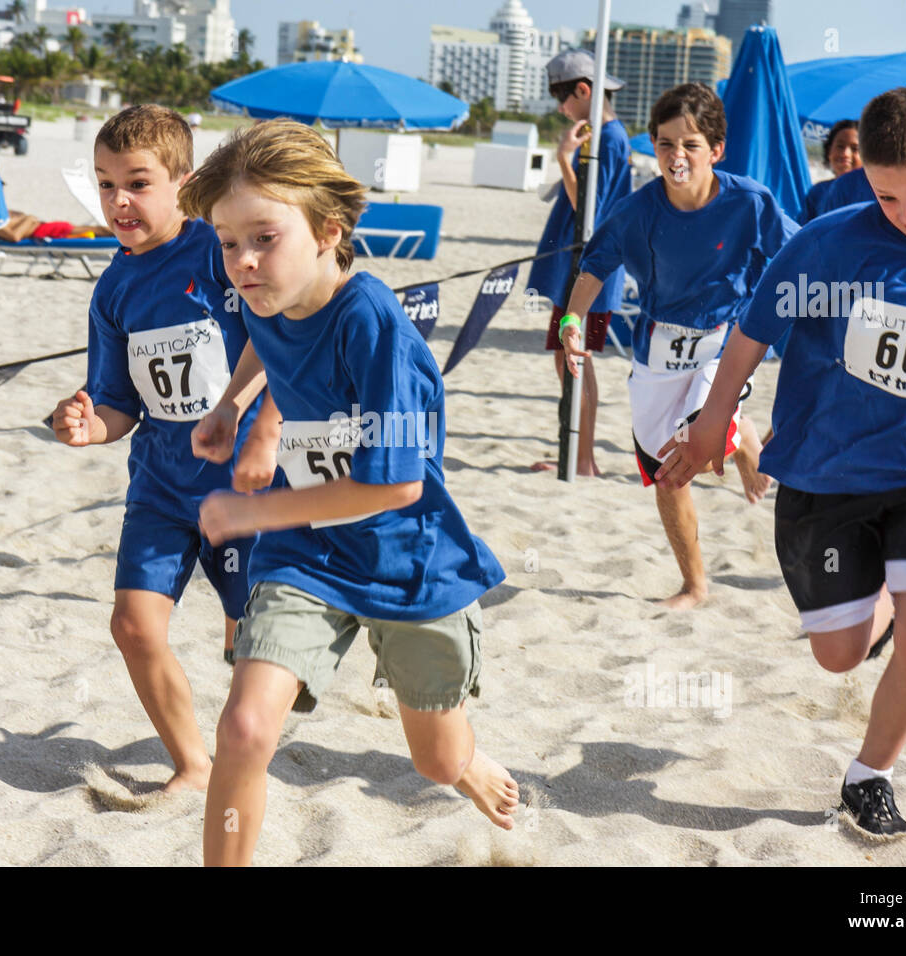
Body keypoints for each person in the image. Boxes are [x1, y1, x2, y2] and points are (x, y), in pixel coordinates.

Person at [654, 87, 906, 837]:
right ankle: (884, 600)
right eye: (888, 198)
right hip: (826, 473)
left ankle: (869, 777)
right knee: (838, 656)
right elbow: (751, 334)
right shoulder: (826, 243)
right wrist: (710, 425)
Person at [180, 119, 518, 866]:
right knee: (243, 729)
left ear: (330, 232)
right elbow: (268, 343)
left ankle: (468, 763)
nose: (241, 262)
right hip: (307, 553)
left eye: (263, 237)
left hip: (409, 562)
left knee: (434, 760)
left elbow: (394, 485)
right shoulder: (269, 293)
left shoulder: (376, 328)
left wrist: (250, 510)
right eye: (227, 242)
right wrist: (240, 409)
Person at [48, 105, 268, 794]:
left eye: (138, 183)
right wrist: (87, 424)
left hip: (244, 489)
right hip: (160, 489)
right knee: (134, 626)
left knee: (252, 644)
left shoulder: (218, 251)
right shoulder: (113, 288)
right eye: (105, 183)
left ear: (185, 181)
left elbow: (281, 330)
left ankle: (247, 735)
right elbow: (118, 404)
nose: (118, 201)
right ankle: (194, 766)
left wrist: (238, 410)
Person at [561, 82, 796, 609]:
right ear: (653, 147)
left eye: (690, 144)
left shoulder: (751, 202)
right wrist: (572, 321)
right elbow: (594, 267)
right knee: (666, 474)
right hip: (657, 351)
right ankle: (694, 585)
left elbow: (797, 259)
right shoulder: (635, 210)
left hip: (726, 343)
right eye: (666, 144)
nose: (677, 156)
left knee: (697, 440)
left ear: (716, 150)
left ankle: (730, 425)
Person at [528, 50, 631, 476]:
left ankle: (584, 458)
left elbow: (588, 209)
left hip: (589, 272)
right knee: (565, 356)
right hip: (581, 267)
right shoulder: (604, 135)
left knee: (575, 356)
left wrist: (564, 159)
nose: (559, 107)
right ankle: (576, 452)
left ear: (583, 90)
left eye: (561, 96)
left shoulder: (610, 137)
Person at [799, 119, 861, 224]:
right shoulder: (817, 192)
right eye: (840, 146)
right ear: (829, 151)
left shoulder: (876, 193)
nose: (845, 154)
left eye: (855, 148)